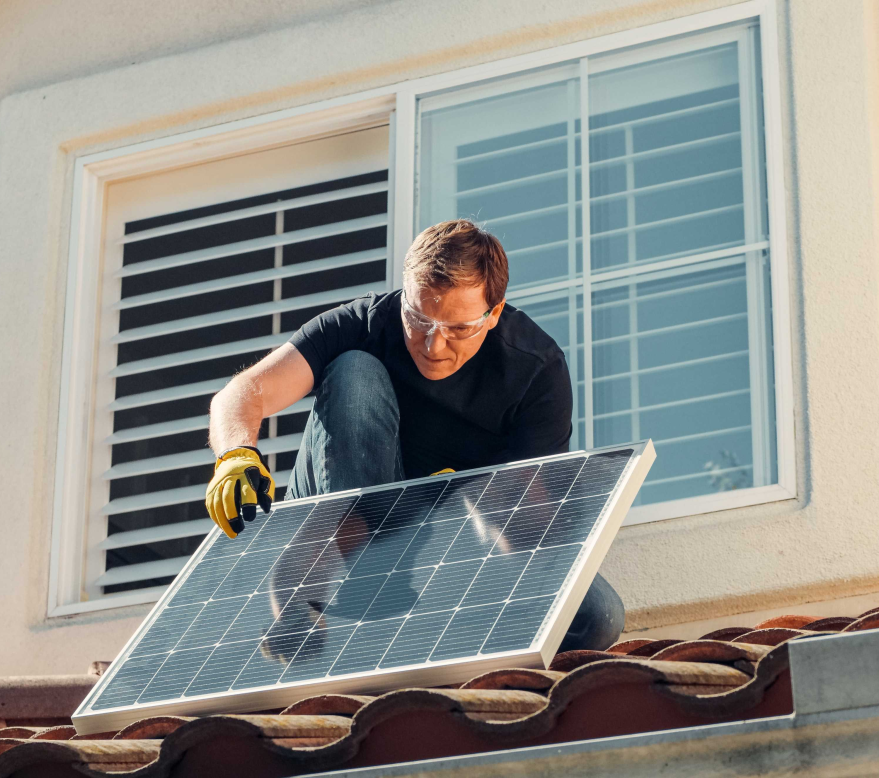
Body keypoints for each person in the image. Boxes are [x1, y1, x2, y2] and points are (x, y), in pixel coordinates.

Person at [203, 219, 624, 652]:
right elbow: (242, 394)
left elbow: (534, 533)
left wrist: (482, 507)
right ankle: (333, 576)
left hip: (450, 546)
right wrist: (235, 456)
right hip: (350, 525)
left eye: (459, 328)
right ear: (404, 294)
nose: (433, 345)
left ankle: (419, 609)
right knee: (354, 370)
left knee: (595, 618)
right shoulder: (364, 323)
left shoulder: (535, 371)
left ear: (494, 313)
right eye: (418, 318)